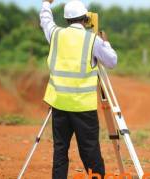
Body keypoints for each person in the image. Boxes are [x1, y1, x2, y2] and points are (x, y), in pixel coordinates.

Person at [40, 0, 118, 178]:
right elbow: (112, 62)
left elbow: (45, 20)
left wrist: (46, 3)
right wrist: (106, 43)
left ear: (67, 19)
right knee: (90, 151)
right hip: (83, 108)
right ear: (86, 18)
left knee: (60, 151)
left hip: (59, 105)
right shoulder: (93, 40)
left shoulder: (56, 34)